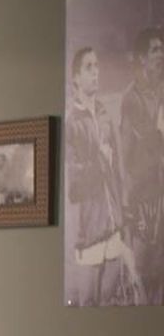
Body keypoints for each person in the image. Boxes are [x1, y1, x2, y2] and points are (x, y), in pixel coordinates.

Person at [66, 46, 138, 305]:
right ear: (76, 78)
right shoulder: (71, 122)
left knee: (109, 306)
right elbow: (73, 184)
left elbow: (118, 172)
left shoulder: (106, 115)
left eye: (97, 66)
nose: (96, 72)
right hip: (89, 232)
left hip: (113, 228)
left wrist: (123, 217)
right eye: (89, 67)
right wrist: (99, 161)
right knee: (87, 304)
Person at [119, 27, 164, 304]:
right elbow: (131, 154)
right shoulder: (132, 99)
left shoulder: (160, 91)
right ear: (142, 59)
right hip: (143, 199)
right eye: (155, 50)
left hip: (160, 193)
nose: (161, 55)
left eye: (162, 50)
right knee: (145, 271)